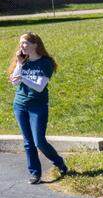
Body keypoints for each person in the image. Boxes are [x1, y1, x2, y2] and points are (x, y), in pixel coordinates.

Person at [8, 33, 66, 185]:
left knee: (39, 141)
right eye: (21, 43)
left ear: (36, 45)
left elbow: (40, 87)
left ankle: (59, 163)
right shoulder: (23, 61)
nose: (22, 46)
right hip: (20, 105)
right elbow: (14, 82)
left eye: (25, 43)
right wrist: (19, 65)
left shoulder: (45, 63)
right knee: (28, 142)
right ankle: (35, 173)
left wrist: (23, 78)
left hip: (38, 106)